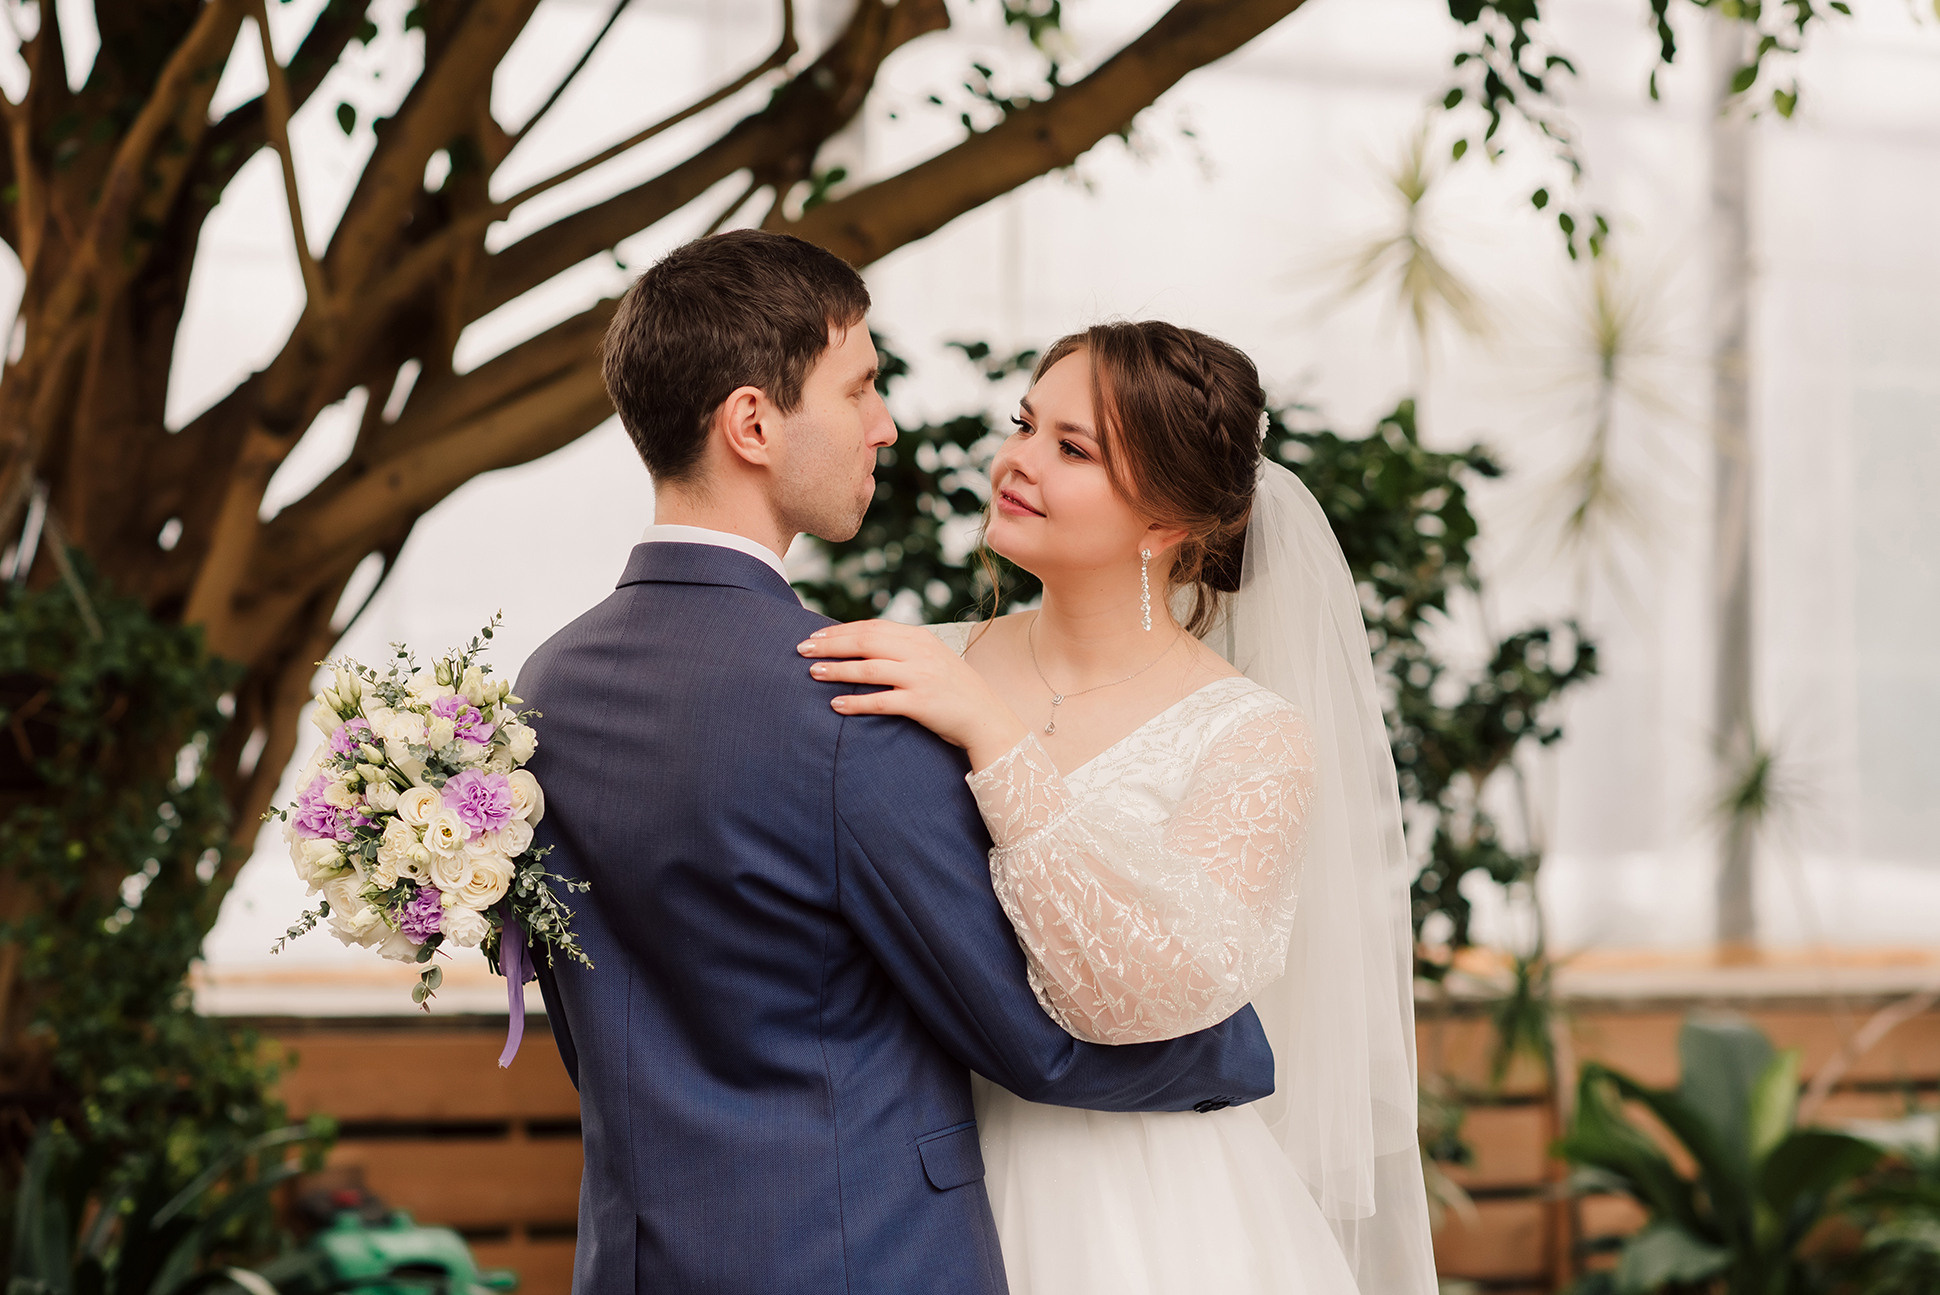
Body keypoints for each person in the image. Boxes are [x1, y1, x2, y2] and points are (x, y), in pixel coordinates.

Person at [515, 232, 1277, 1295]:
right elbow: (1029, 1039)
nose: (886, 423)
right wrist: (1235, 1053)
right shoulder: (852, 705)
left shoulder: (540, 689)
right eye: (860, 385)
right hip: (854, 1249)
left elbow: (585, 1009)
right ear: (750, 423)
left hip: (636, 1255)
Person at [799, 321, 1439, 1295]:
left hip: (1142, 1207)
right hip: (912, 1176)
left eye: (1071, 448)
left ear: (1164, 523)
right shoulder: (916, 659)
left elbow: (1154, 987)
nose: (1015, 461)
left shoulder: (1249, 736)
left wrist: (995, 740)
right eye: (1023, 424)